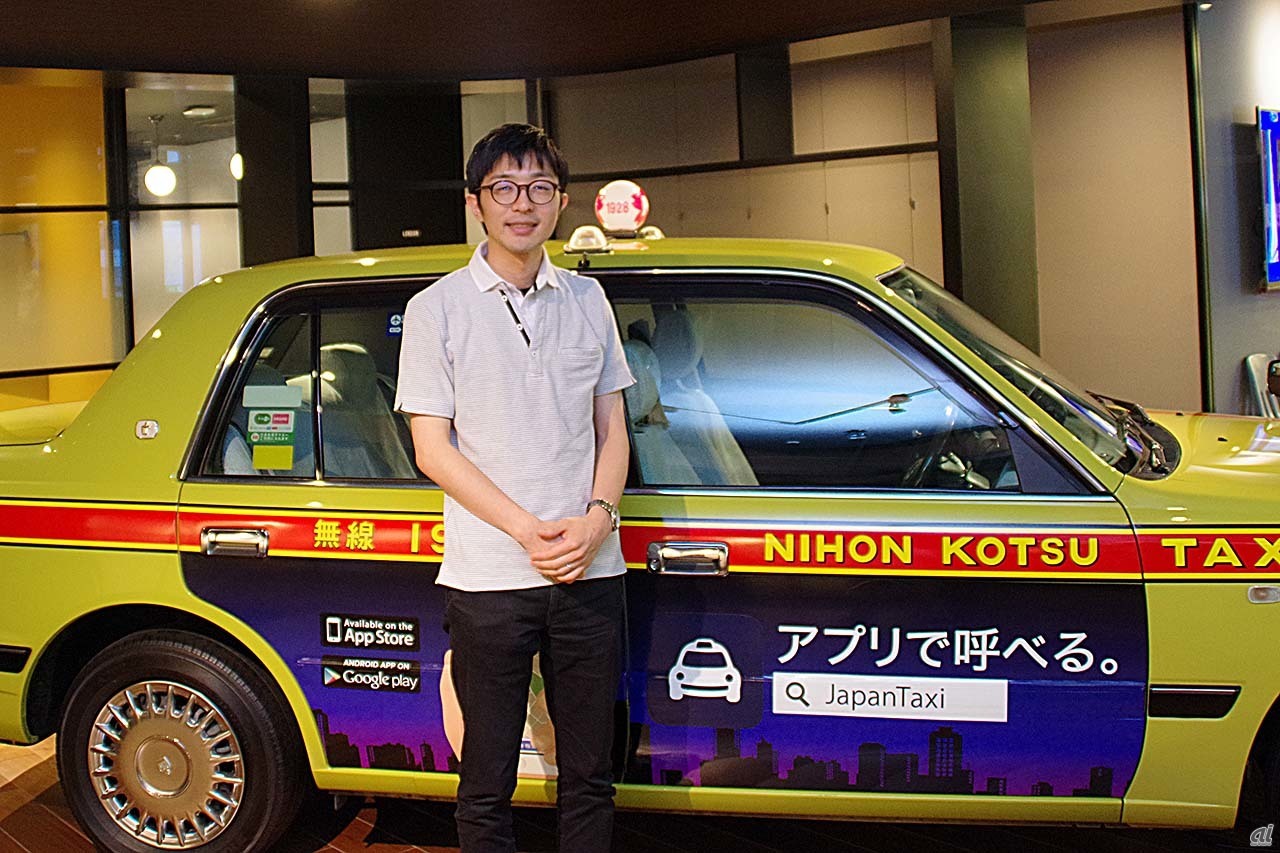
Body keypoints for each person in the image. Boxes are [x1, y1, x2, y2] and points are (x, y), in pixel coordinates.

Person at [394, 123, 634, 853]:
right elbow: (431, 449)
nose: (521, 204)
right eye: (503, 188)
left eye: (537, 188)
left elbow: (613, 431)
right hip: (489, 576)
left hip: (591, 570)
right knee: (486, 782)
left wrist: (596, 521)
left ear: (560, 201)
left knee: (590, 777)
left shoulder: (589, 297)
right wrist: (529, 531)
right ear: (476, 204)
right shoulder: (437, 307)